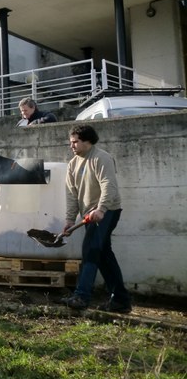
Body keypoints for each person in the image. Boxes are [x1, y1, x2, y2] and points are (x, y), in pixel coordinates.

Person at [60, 124, 132, 313]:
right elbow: (71, 194)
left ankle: (81, 296)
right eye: (71, 142)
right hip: (88, 215)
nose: (72, 146)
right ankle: (121, 300)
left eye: (75, 142)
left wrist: (101, 208)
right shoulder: (72, 165)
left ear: (87, 141)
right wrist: (69, 219)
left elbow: (109, 184)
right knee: (103, 255)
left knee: (90, 249)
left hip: (107, 211)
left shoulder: (101, 158)